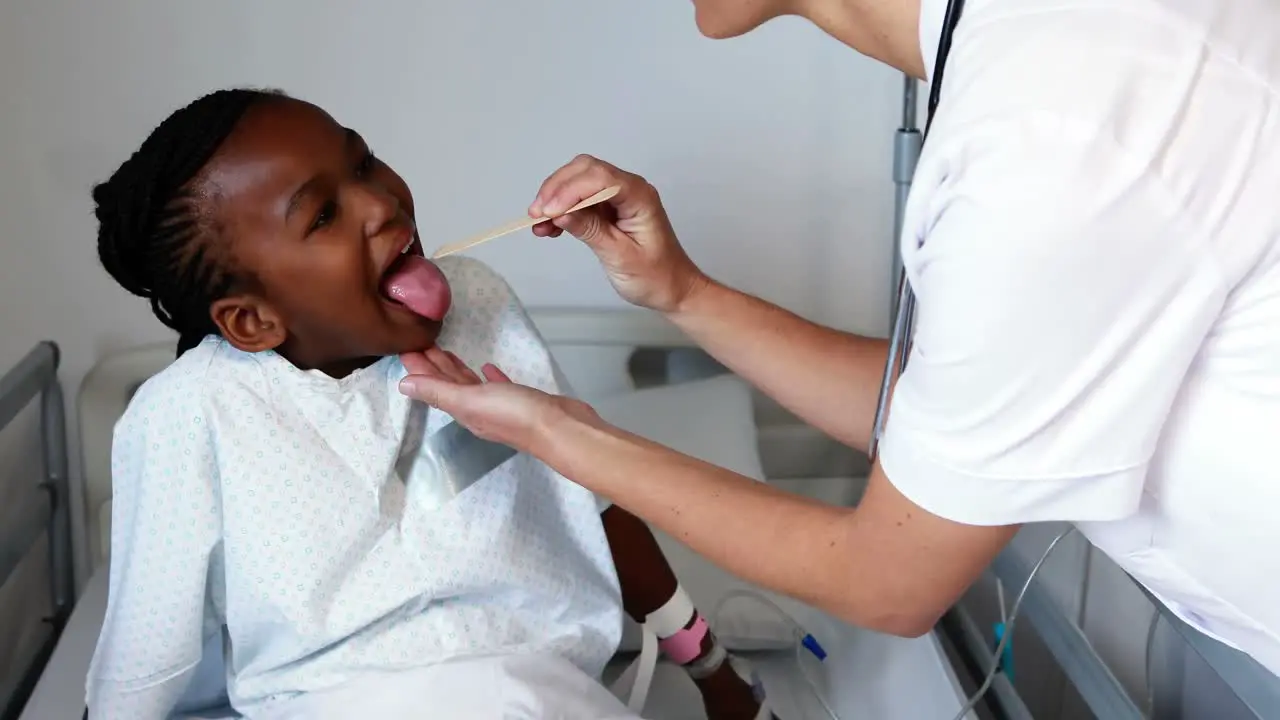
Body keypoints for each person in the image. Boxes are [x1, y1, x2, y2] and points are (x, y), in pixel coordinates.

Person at [397, 0, 1280, 680]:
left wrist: (555, 432)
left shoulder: (1054, 130)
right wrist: (683, 294)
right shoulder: (1055, 61)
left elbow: (892, 583)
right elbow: (948, 428)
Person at [85, 88, 772, 719]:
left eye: (362, 164)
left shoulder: (477, 302)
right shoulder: (190, 412)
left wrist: (714, 671)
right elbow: (146, 650)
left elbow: (590, 496)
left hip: (536, 691)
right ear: (252, 321)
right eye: (323, 214)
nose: (380, 204)